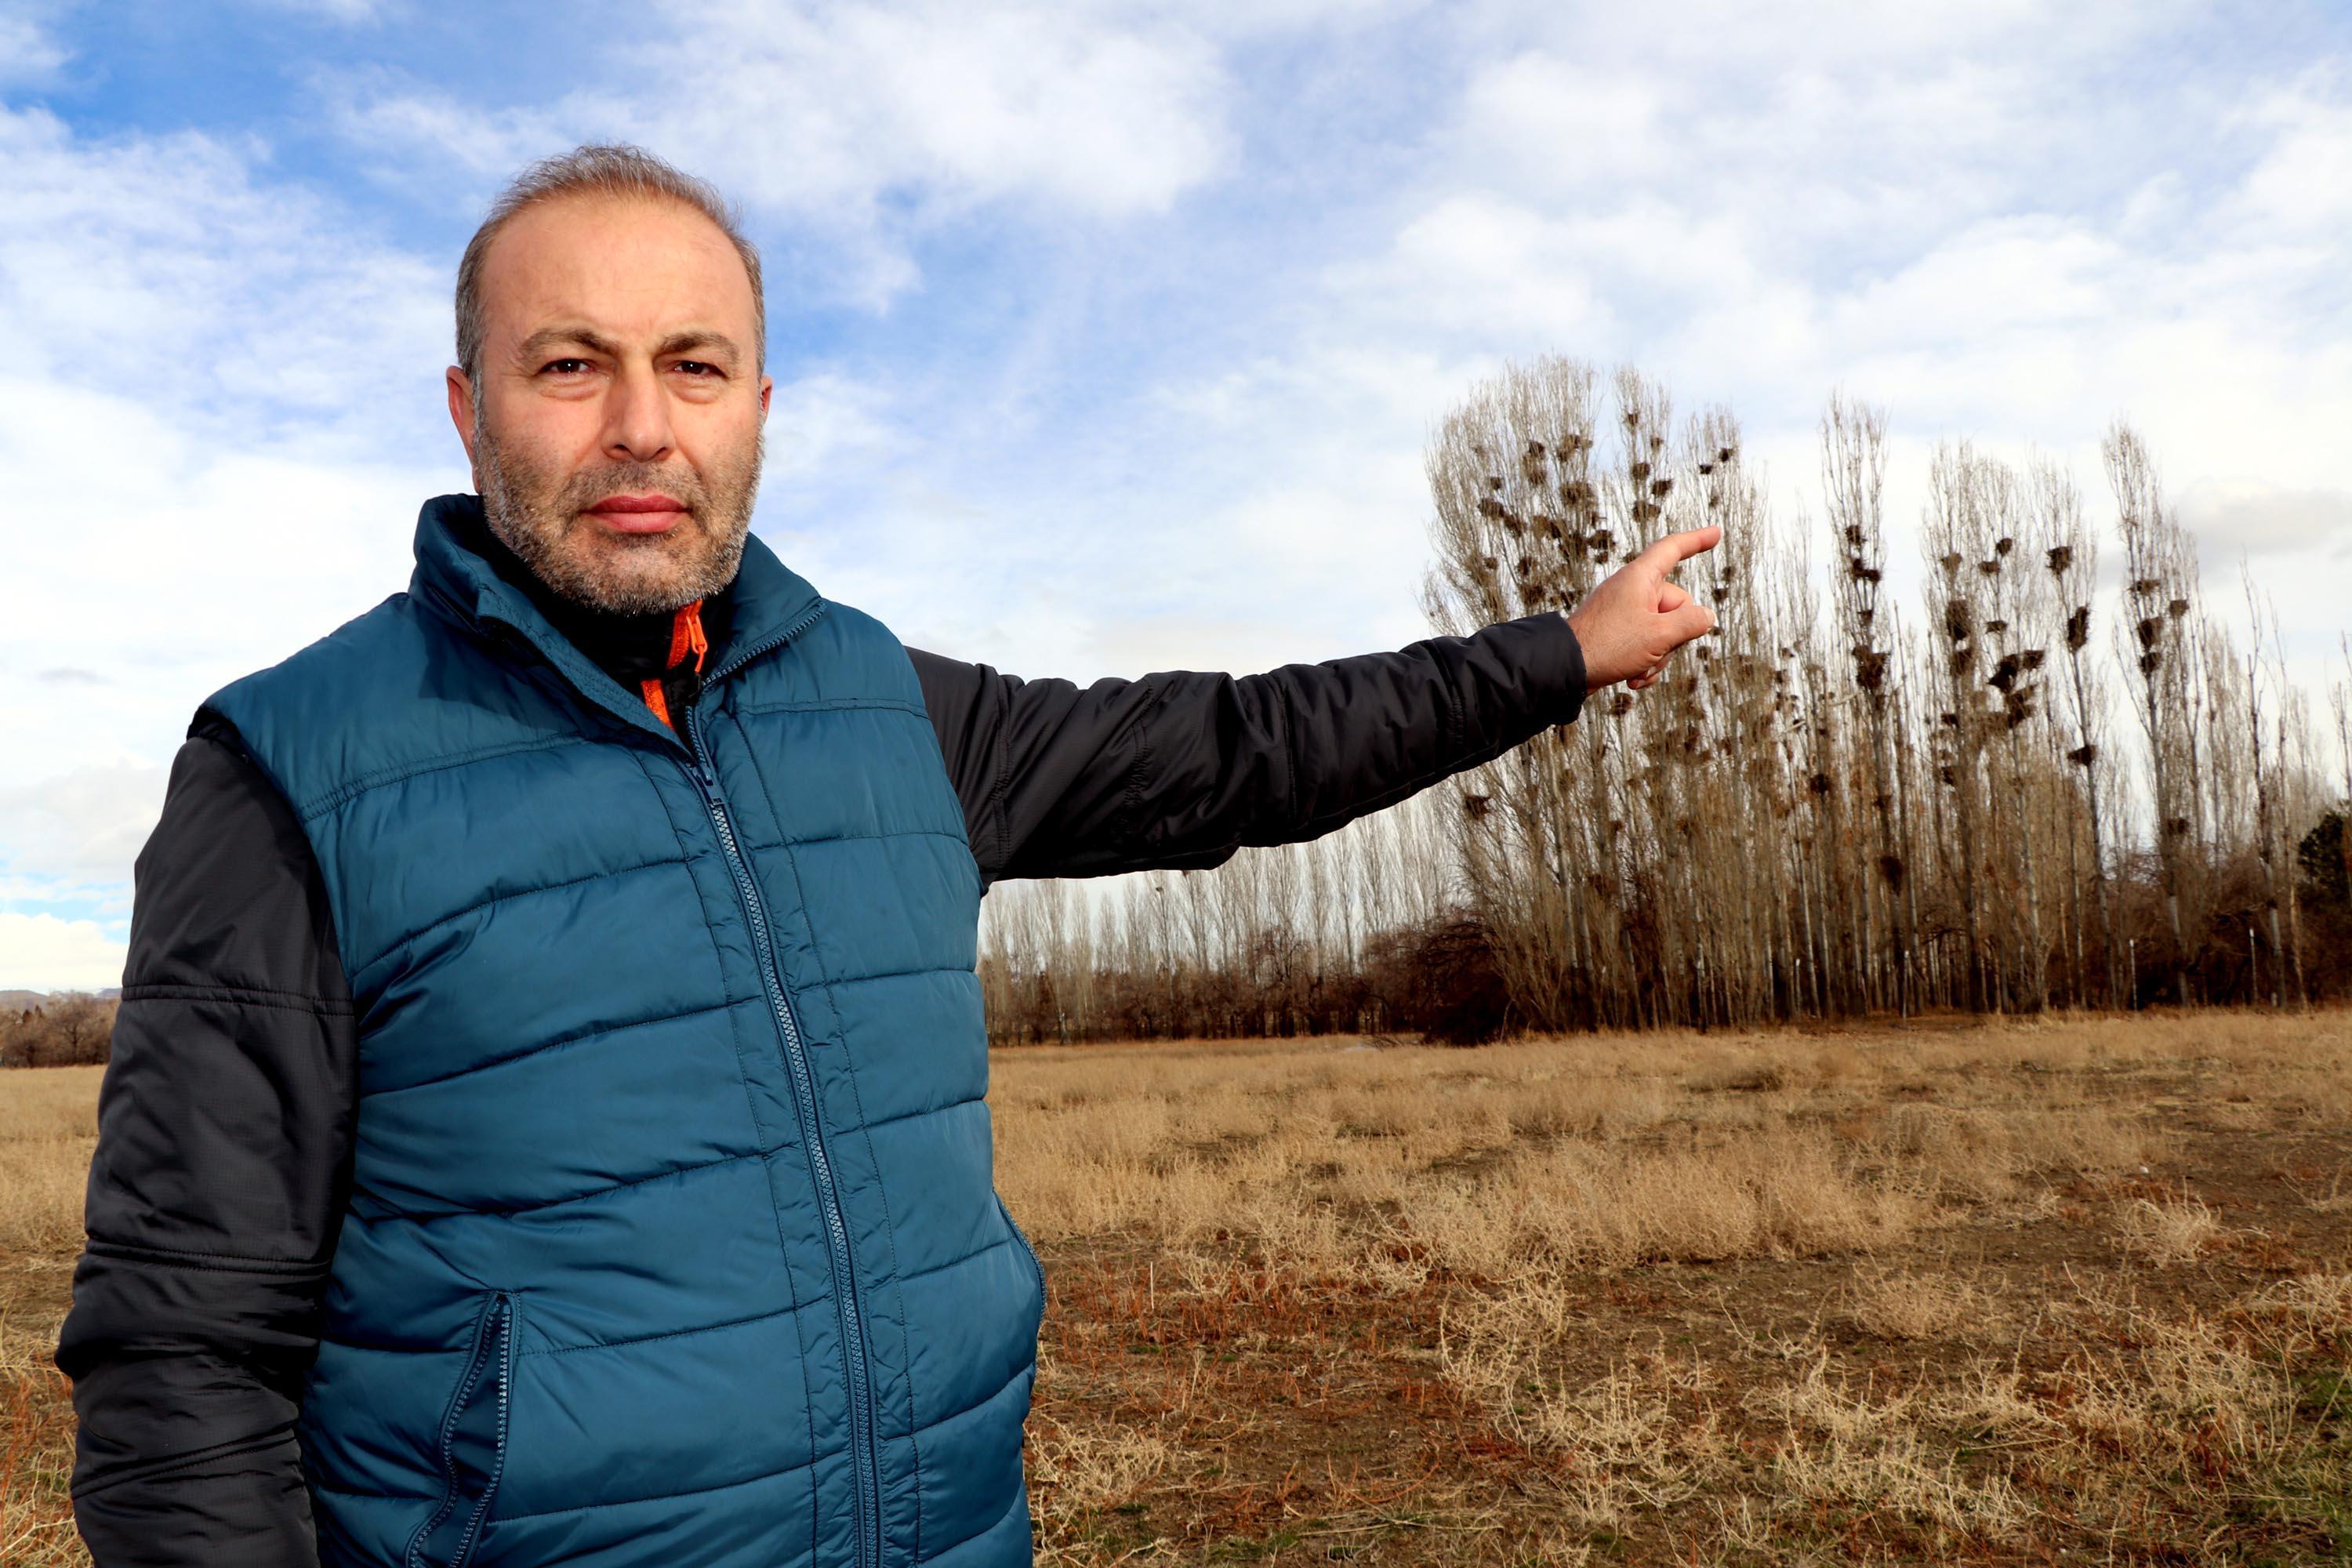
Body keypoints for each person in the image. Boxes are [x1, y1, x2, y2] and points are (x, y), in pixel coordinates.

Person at [54, 144, 1719, 1568]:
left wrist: (1559, 653)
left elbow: (1235, 750)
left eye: (693, 366)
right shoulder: (294, 769)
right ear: (466, 403)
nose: (642, 426)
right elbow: (178, 1357)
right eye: (570, 365)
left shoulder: (889, 712)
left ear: (759, 406)